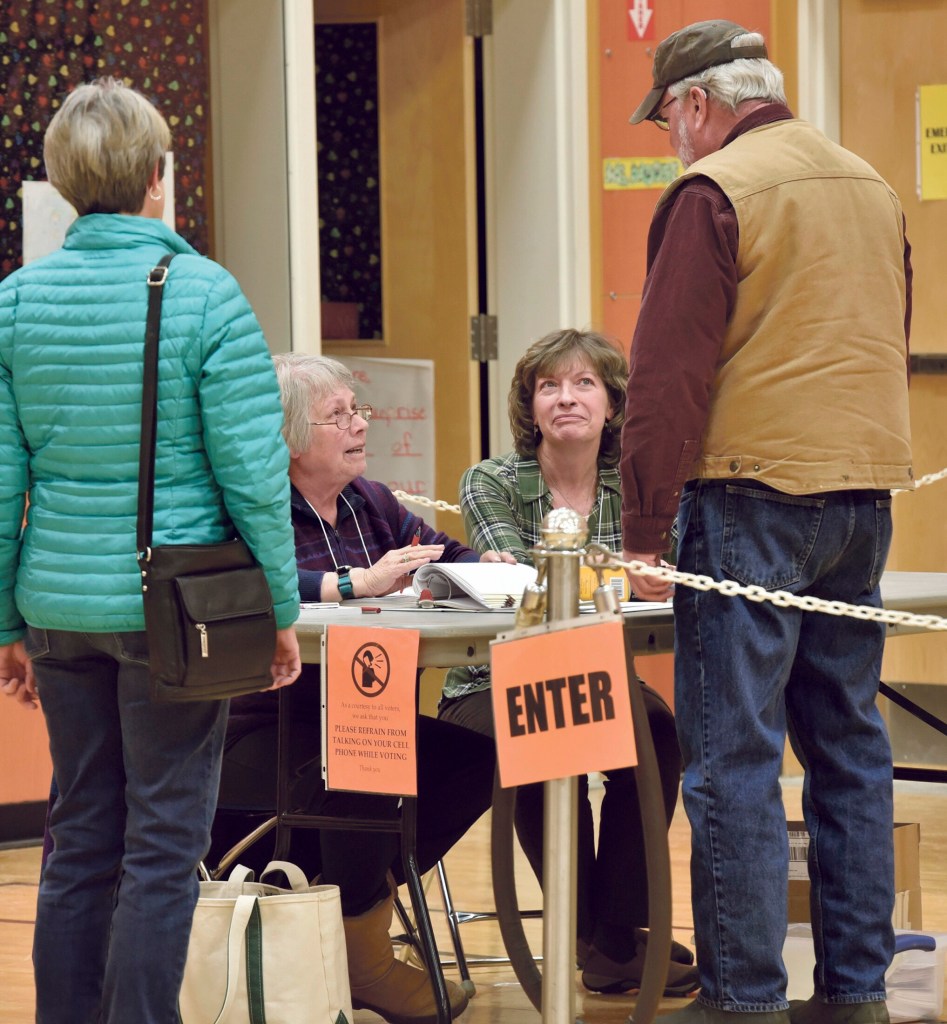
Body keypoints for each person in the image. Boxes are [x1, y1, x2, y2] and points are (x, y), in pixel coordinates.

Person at [621, 20, 913, 1024]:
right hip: (861, 498)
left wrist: (643, 529)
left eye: (666, 120)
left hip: (747, 497)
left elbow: (665, 374)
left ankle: (740, 999)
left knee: (732, 761)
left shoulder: (715, 190)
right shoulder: (868, 184)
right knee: (848, 749)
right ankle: (855, 994)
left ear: (696, 104)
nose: (671, 141)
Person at [0, 78, 301, 1024]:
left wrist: (6, 617)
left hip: (58, 609)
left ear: (60, 180)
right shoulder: (205, 294)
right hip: (176, 612)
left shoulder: (15, 301)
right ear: (159, 179)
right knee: (165, 842)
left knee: (80, 833)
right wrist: (280, 611)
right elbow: (252, 473)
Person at [215, 352, 510, 1024]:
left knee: (472, 758)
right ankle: (360, 956)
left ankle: (349, 919)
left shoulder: (368, 502)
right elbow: (249, 586)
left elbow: (440, 554)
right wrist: (355, 584)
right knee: (368, 755)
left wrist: (483, 567)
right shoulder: (251, 505)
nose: (359, 424)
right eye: (338, 416)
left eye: (358, 409)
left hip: (353, 710)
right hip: (261, 726)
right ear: (288, 437)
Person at [437, 328, 699, 997]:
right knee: (547, 737)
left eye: (584, 384)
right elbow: (525, 586)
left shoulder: (634, 486)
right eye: (548, 385)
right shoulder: (491, 480)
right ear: (529, 404)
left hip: (599, 672)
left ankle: (609, 935)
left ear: (614, 403)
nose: (565, 399)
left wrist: (655, 577)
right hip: (491, 677)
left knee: (657, 735)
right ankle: (602, 941)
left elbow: (663, 569)